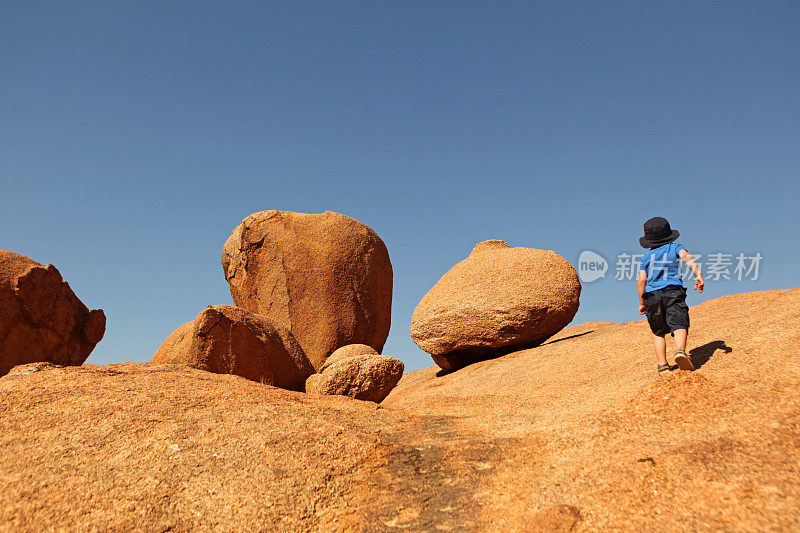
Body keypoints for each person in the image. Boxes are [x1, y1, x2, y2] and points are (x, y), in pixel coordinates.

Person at [637, 217, 704, 375]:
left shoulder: (646, 257)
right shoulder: (675, 247)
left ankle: (662, 365)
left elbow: (641, 281)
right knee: (679, 322)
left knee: (658, 332)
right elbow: (687, 257)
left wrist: (642, 302)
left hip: (652, 296)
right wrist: (698, 275)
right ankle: (680, 351)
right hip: (672, 291)